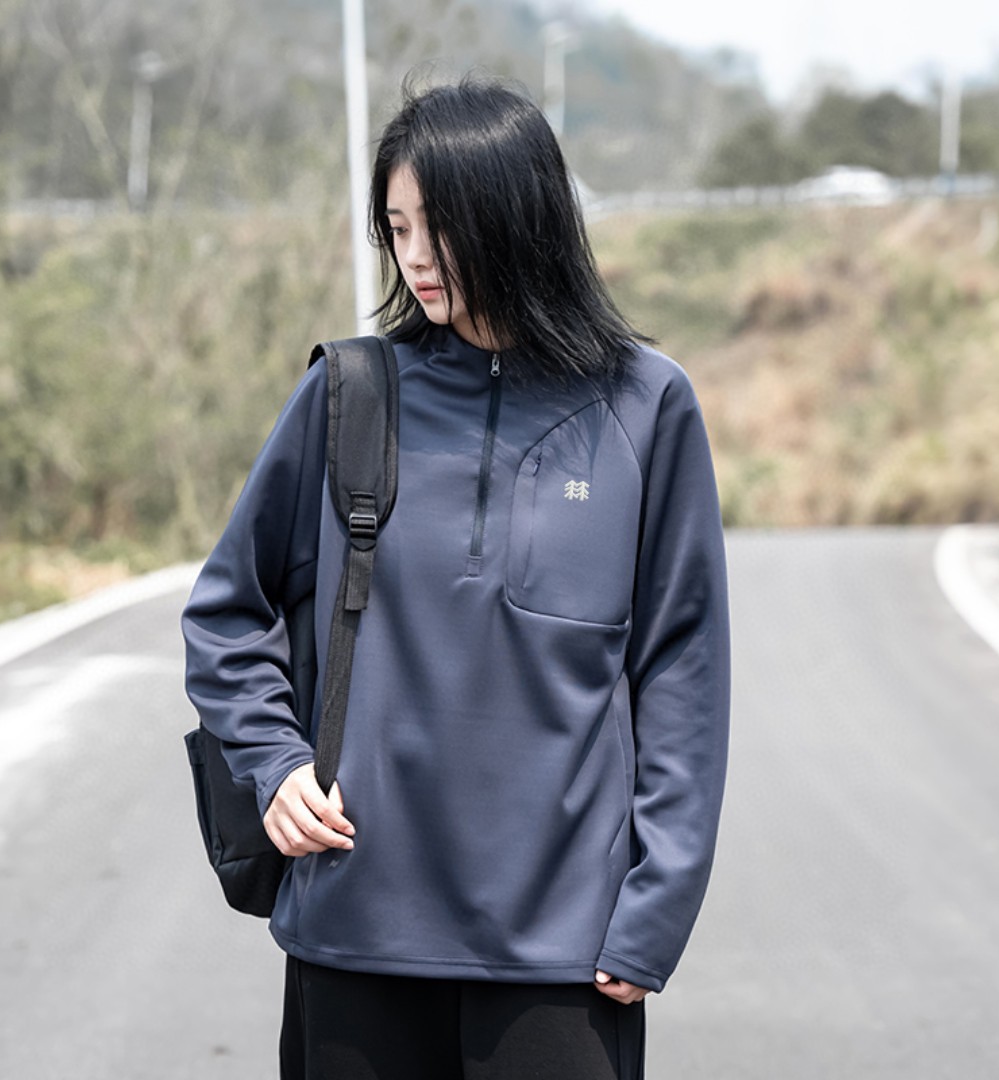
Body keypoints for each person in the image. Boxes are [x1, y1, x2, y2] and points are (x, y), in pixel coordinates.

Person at [183, 74, 730, 1080]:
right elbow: (228, 610)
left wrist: (657, 904)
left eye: (439, 224)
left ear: (519, 217)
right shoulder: (350, 395)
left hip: (565, 948)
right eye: (397, 228)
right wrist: (274, 762)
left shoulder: (647, 406)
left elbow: (682, 669)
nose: (417, 256)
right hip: (355, 923)